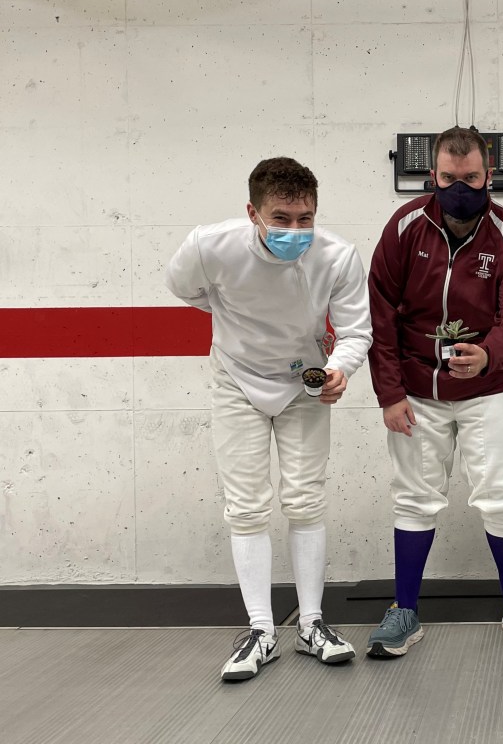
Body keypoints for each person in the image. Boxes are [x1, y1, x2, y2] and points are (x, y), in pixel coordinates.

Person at [166, 156, 372, 681]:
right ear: (253, 213)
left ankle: (312, 624)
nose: (295, 230)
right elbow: (184, 289)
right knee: (246, 507)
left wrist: (338, 370)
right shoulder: (209, 245)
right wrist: (233, 322)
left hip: (304, 381)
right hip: (236, 380)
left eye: (306, 219)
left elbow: (354, 332)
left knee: (306, 499)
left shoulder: (338, 255)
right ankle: (261, 630)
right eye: (281, 218)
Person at [366, 125, 503, 658]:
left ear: (489, 175)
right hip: (415, 389)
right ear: (433, 175)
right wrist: (390, 394)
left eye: (471, 178)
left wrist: (489, 353)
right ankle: (405, 610)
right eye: (449, 178)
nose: (460, 188)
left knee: (501, 491)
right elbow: (379, 314)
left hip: (489, 386)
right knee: (415, 496)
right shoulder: (403, 227)